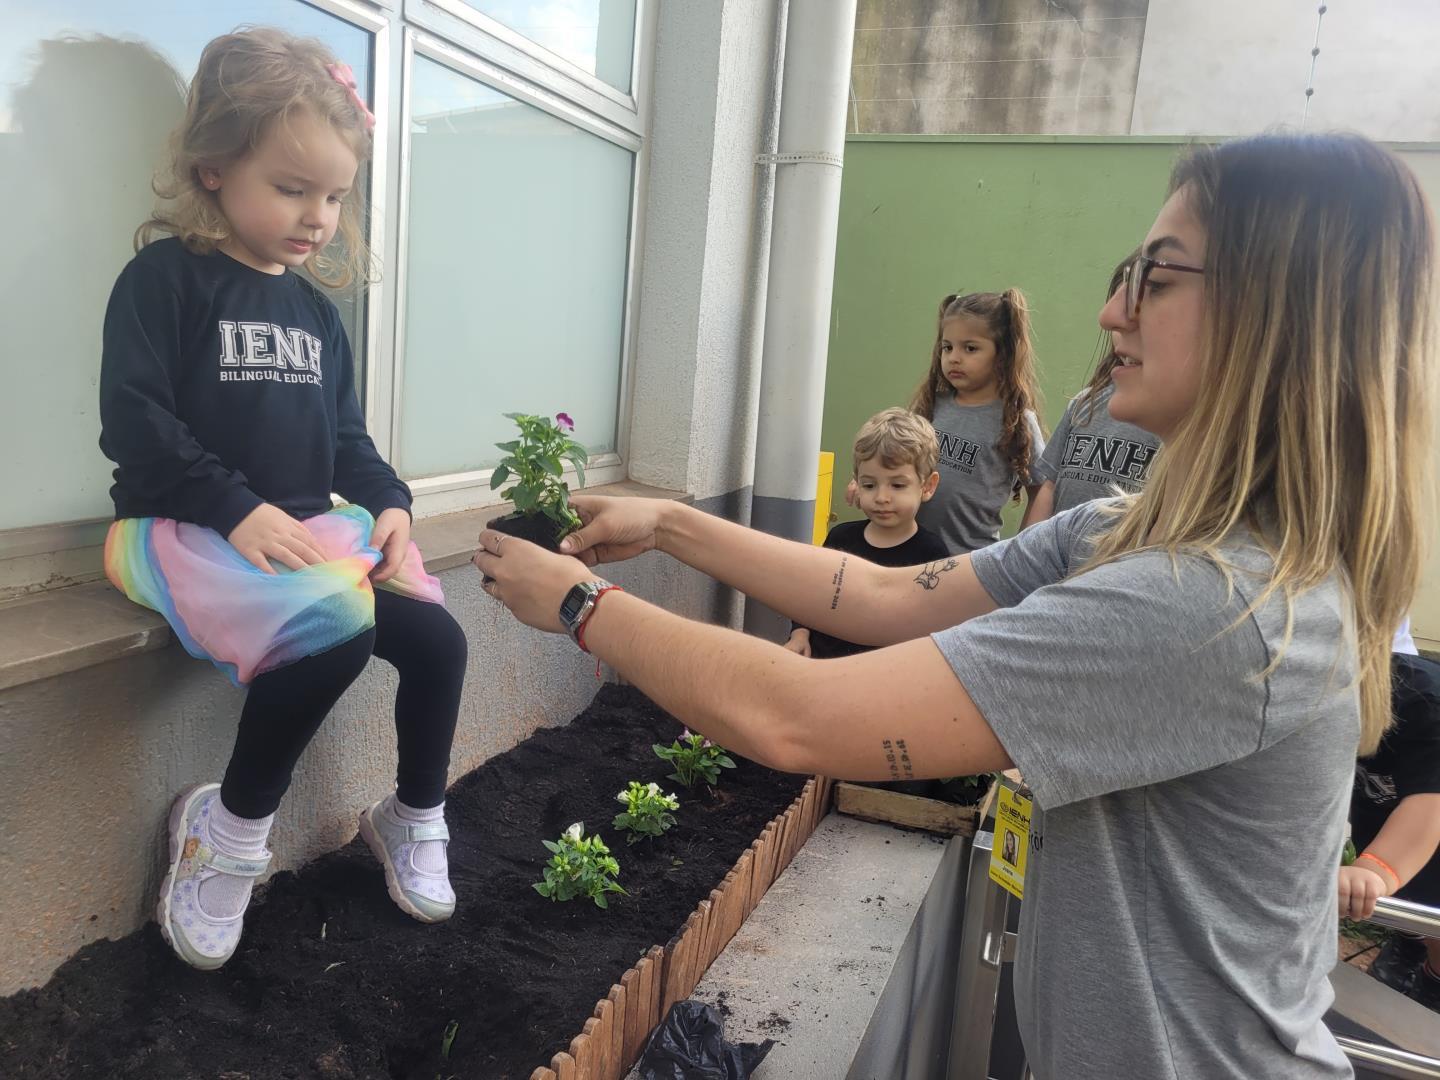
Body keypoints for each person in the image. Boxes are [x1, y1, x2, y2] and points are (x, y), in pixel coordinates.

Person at [476, 131, 1436, 1078]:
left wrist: (582, 606)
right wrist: (669, 525)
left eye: (1156, 276)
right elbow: (882, 594)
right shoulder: (1123, 532)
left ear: (1272, 317)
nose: (1112, 311)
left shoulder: (1212, 607)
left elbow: (795, 716)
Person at [98, 29, 468, 972]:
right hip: (181, 527)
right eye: (294, 189)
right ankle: (225, 835)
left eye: (336, 197)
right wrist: (234, 506)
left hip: (295, 537)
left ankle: (413, 813)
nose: (318, 217)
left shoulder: (313, 313)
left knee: (437, 639)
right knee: (337, 629)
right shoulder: (163, 282)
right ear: (214, 167)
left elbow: (346, 439)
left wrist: (388, 502)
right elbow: (136, 425)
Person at [784, 408, 947, 660]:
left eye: (897, 485)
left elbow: (935, 626)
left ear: (927, 486)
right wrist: (800, 634)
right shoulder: (841, 538)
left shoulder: (932, 554)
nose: (881, 497)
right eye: (869, 485)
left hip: (885, 670)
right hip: (824, 663)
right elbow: (812, 593)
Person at [909, 289, 1047, 552]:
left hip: (971, 560)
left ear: (1003, 354)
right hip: (911, 553)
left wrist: (1021, 549)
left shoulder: (1016, 419)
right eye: (947, 347)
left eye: (970, 348)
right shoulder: (930, 406)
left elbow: (1042, 488)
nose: (954, 357)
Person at [1339, 652, 1440, 1012]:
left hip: (1429, 810)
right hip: (1381, 803)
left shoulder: (1423, 703)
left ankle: (1433, 980)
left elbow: (1429, 808)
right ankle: (1408, 941)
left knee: (1431, 905)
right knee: (1399, 892)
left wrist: (1375, 870)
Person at [1027, 252, 1161, 521]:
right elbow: (1049, 485)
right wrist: (1029, 542)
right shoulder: (1084, 403)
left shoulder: (1175, 425)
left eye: (1139, 308)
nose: (1109, 320)